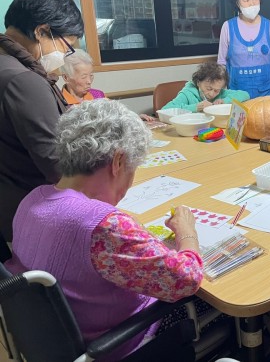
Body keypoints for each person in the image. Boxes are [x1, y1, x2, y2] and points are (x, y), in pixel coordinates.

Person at [5, 100, 210, 361]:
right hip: (115, 345)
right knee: (218, 302)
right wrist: (187, 232)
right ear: (118, 161)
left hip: (46, 341)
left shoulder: (32, 199)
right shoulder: (105, 226)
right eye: (132, 169)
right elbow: (187, 280)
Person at [0, 0, 84, 241]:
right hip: (31, 212)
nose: (64, 55)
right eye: (67, 46)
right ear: (42, 31)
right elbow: (57, 164)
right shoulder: (23, 79)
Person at [217, 0, 270, 98]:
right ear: (237, 3)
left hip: (267, 94)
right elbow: (221, 63)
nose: (252, 3)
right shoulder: (227, 27)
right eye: (246, 0)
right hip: (237, 95)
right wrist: (223, 95)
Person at [61, 49, 155, 121]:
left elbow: (117, 114)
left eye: (91, 76)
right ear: (66, 78)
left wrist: (135, 118)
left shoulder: (98, 95)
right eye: (83, 77)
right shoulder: (59, 102)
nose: (89, 81)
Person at [163, 62, 250, 112]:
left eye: (216, 90)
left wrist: (224, 101)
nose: (212, 94)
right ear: (198, 82)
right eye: (208, 89)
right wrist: (196, 107)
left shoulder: (221, 93)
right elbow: (165, 109)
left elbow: (245, 94)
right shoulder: (188, 93)